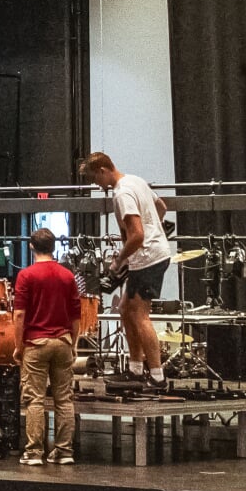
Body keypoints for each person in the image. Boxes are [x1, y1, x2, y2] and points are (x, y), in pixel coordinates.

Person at [78, 152, 173, 383]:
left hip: (148, 257)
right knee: (124, 309)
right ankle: (136, 368)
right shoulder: (136, 180)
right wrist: (156, 229)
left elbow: (137, 236)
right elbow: (161, 207)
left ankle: (157, 377)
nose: (97, 186)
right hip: (148, 256)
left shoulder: (123, 194)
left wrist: (119, 260)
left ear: (103, 170)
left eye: (95, 180)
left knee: (140, 314)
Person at [11, 228, 81, 466]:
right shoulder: (67, 276)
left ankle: (33, 453)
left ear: (32, 247)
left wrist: (18, 346)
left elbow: (19, 314)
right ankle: (64, 452)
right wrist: (74, 343)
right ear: (54, 246)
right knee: (64, 399)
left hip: (36, 342)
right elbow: (76, 315)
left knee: (35, 399)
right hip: (63, 341)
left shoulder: (26, 276)